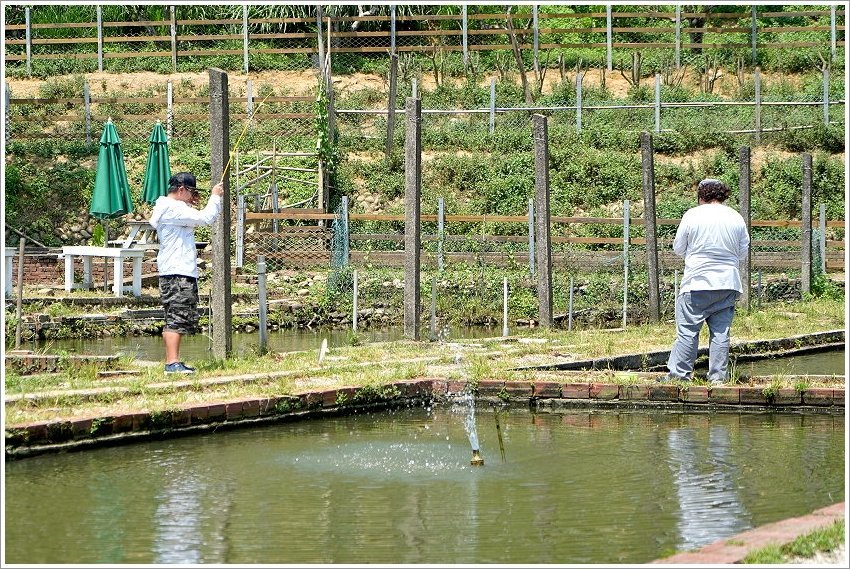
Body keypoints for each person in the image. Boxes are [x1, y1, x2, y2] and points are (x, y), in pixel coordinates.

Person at [665, 178, 750, 384]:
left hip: (697, 282)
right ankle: (718, 379)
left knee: (687, 332)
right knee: (721, 333)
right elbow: (742, 252)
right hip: (727, 283)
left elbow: (678, 248)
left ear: (701, 196)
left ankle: (680, 377)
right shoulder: (736, 217)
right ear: (723, 195)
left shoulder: (692, 215)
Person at [149, 172, 224, 373]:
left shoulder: (171, 208)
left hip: (174, 271)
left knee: (176, 315)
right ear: (181, 189)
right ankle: (172, 363)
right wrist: (215, 195)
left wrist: (192, 202)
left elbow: (194, 215)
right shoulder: (173, 209)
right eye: (191, 192)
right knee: (176, 316)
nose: (193, 196)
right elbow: (206, 217)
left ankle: (173, 362)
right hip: (177, 272)